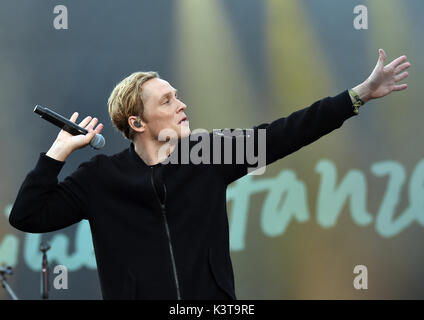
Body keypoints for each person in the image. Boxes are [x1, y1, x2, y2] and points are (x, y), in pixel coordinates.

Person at [9, 49, 410, 299]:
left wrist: (358, 95)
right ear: (137, 121)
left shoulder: (208, 155)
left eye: (177, 96)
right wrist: (58, 151)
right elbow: (27, 214)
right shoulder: (99, 179)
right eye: (167, 100)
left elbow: (288, 132)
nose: (181, 105)